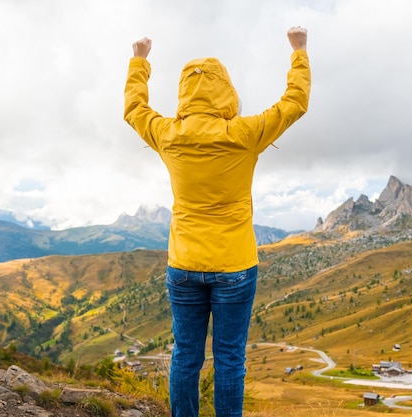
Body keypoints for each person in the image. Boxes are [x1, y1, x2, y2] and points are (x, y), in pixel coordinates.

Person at [124, 26, 311, 417]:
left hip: (184, 265)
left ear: (183, 93)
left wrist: (140, 60)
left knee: (185, 355)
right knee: (229, 359)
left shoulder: (169, 134)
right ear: (226, 90)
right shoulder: (244, 133)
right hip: (235, 266)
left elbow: (134, 110)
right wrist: (299, 51)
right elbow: (295, 102)